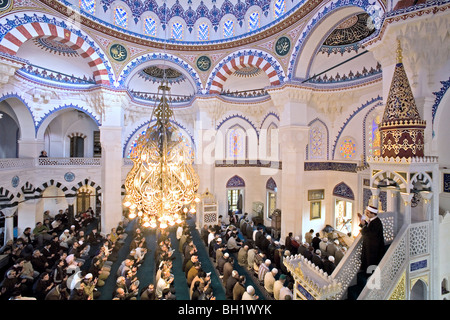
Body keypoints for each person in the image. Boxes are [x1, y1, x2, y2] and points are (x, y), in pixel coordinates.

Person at [358, 205, 385, 274]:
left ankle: (370, 276)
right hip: (369, 245)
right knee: (366, 260)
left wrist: (364, 225)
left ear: (373, 214)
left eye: (368, 213)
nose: (366, 214)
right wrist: (363, 223)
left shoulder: (377, 222)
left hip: (373, 248)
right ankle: (366, 272)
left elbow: (371, 234)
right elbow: (369, 228)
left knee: (371, 262)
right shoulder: (373, 221)